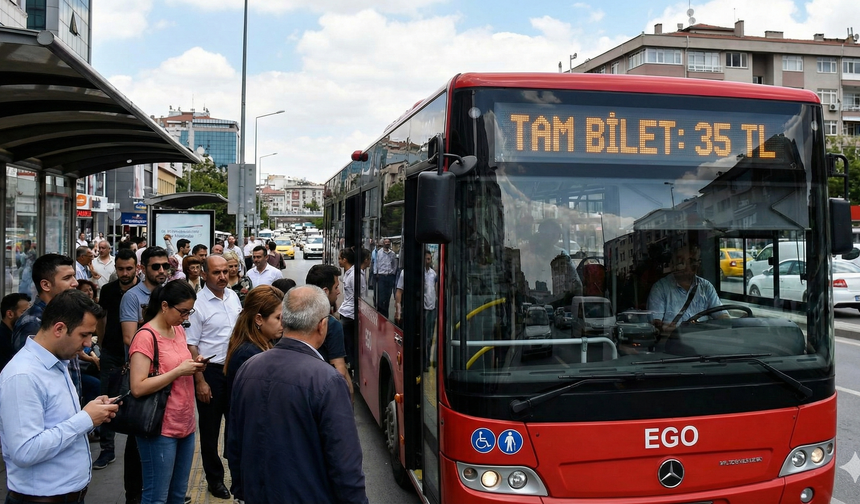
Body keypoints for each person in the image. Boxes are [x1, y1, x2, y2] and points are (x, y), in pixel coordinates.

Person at [226, 285, 368, 504]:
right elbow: (344, 464)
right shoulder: (328, 380)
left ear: (284, 320)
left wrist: (241, 490)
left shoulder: (249, 368)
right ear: (322, 326)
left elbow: (235, 439)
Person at [0, 290, 117, 503]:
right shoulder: (23, 375)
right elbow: (25, 450)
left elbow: (57, 423)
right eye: (84, 334)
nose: (88, 344)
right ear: (59, 328)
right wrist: (85, 419)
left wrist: (91, 414)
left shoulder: (57, 362)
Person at [129, 280, 206, 504]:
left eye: (189, 312)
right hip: (159, 427)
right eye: (182, 311)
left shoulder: (178, 330)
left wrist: (194, 365)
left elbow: (180, 364)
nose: (186, 317)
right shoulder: (146, 336)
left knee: (178, 495)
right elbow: (137, 387)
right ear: (164, 306)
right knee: (156, 497)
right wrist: (178, 371)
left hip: (185, 423)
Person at [185, 255, 242, 500]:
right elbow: (191, 345)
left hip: (236, 371)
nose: (222, 276)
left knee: (237, 427)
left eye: (226, 271)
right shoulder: (197, 304)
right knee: (209, 431)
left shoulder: (233, 296)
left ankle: (239, 477)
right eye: (217, 272)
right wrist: (200, 381)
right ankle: (215, 480)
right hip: (211, 372)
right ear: (204, 275)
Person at [222, 285, 284, 501]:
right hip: (252, 451)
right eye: (278, 318)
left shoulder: (260, 345)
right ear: (259, 319)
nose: (282, 323)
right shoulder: (249, 354)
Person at [119, 247, 170, 502]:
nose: (161, 271)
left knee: (163, 438)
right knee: (138, 436)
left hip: (167, 378)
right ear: (143, 269)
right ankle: (134, 496)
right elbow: (130, 338)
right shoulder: (132, 297)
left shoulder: (172, 293)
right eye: (155, 267)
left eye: (165, 266)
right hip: (143, 375)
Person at [93, 248, 139, 486]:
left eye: (128, 269)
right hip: (112, 352)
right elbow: (102, 318)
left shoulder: (144, 290)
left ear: (136, 268)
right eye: (120, 269)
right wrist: (101, 344)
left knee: (137, 401)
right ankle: (107, 449)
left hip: (137, 354)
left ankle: (139, 449)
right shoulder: (109, 290)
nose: (124, 273)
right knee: (107, 399)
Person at [647, 242, 727, 336]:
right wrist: (666, 329)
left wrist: (733, 323)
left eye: (693, 261)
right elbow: (656, 326)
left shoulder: (706, 287)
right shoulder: (660, 288)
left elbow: (722, 316)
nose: (688, 266)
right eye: (682, 261)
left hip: (705, 341)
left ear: (698, 263)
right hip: (674, 343)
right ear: (673, 264)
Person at [305, 265, 352, 400]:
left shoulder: (293, 315)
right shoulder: (330, 324)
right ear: (325, 291)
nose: (338, 292)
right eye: (336, 287)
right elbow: (339, 371)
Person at [337, 248, 358, 373]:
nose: (338, 261)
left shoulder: (354, 275)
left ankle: (351, 364)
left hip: (350, 314)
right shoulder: (348, 273)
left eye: (340, 258)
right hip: (346, 311)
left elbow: (358, 296)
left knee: (348, 342)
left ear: (345, 260)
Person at [0, 293, 30, 372]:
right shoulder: (3, 339)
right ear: (10, 314)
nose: (28, 316)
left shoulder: (16, 334)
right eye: (24, 312)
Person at [375, 238, 397, 314]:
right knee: (381, 297)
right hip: (381, 276)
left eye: (388, 242)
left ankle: (386, 314)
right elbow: (376, 263)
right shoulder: (379, 253)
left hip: (389, 276)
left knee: (388, 296)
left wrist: (393, 273)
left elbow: (394, 265)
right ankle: (380, 312)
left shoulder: (392, 254)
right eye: (386, 242)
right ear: (383, 243)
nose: (387, 243)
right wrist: (376, 273)